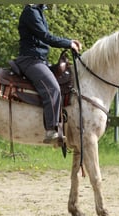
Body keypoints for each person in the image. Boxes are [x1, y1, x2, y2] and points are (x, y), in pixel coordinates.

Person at [15, 4, 82, 144]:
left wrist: (68, 43)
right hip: (30, 60)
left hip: (39, 60)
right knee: (53, 88)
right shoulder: (31, 11)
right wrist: (68, 43)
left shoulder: (38, 11)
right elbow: (46, 37)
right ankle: (51, 130)